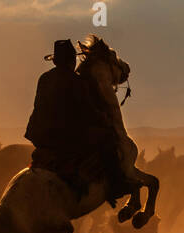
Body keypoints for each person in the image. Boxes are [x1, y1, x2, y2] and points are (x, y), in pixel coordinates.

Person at [25, 39, 128, 204]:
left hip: (39, 136)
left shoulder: (44, 78)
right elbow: (88, 110)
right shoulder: (75, 81)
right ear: (71, 60)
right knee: (108, 138)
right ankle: (116, 185)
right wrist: (105, 120)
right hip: (63, 138)